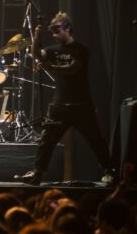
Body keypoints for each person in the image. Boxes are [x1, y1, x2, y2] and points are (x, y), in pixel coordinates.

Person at [16, 12, 116, 185]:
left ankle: (110, 171)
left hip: (81, 105)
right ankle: (37, 173)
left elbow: (72, 69)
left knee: (95, 140)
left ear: (68, 29)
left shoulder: (81, 50)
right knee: (47, 140)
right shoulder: (52, 50)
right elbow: (37, 56)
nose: (54, 34)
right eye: (52, 31)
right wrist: (37, 36)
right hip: (59, 105)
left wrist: (50, 67)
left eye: (57, 30)